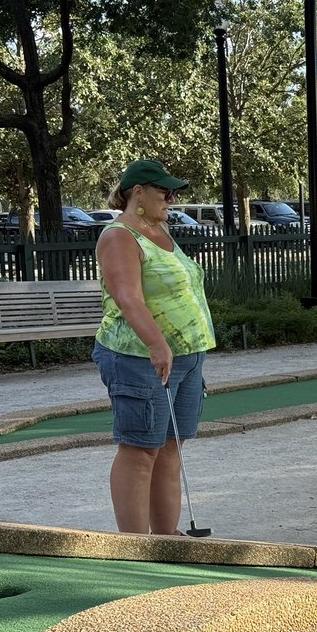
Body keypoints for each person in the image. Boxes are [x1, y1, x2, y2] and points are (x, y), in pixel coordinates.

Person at [92, 159, 216, 536]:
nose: (171, 197)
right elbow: (127, 296)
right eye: (164, 190)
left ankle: (168, 540)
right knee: (140, 450)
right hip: (139, 356)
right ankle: (135, 546)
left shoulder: (159, 229)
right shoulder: (119, 235)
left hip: (187, 357)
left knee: (169, 448)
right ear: (138, 192)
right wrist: (157, 344)